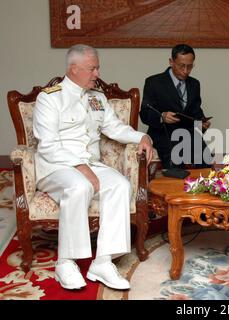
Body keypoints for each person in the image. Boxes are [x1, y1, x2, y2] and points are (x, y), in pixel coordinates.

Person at [33, 44, 153, 290]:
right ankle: (66, 262)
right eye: (92, 68)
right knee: (79, 186)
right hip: (56, 167)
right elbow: (47, 146)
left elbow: (114, 128)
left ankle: (103, 261)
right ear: (73, 68)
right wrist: (79, 166)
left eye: (97, 67)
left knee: (120, 185)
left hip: (90, 164)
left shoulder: (97, 98)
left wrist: (141, 137)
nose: (97, 73)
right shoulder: (49, 98)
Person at [140, 44, 211, 169]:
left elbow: (196, 111)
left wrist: (202, 122)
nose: (185, 71)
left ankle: (201, 188)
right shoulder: (154, 82)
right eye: (181, 66)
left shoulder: (194, 84)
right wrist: (162, 116)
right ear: (171, 62)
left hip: (188, 133)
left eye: (189, 66)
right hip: (163, 134)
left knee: (206, 163)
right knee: (176, 166)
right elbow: (145, 114)